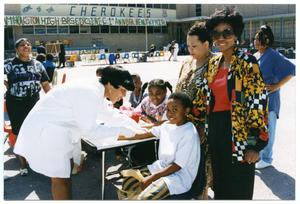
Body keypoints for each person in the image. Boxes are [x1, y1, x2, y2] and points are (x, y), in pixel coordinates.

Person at [13, 66, 142, 200]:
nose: (123, 95)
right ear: (110, 84)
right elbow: (90, 131)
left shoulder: (97, 88)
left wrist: (135, 126)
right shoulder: (90, 92)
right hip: (48, 130)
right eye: (122, 90)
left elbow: (108, 113)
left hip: (57, 129)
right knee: (60, 178)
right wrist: (122, 130)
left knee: (65, 172)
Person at [193, 7, 269, 199]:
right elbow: (202, 98)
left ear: (236, 35)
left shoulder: (247, 62)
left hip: (240, 132)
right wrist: (190, 120)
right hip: (216, 131)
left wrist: (255, 144)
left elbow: (257, 101)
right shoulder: (212, 63)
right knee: (220, 186)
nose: (221, 37)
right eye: (216, 33)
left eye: (227, 32)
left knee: (239, 187)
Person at [117, 92, 200, 200]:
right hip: (161, 167)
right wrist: (120, 136)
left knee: (145, 198)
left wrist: (152, 178)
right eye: (168, 110)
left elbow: (177, 166)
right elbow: (145, 134)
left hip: (178, 177)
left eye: (175, 110)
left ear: (186, 111)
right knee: (128, 182)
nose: (170, 114)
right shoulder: (167, 125)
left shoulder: (189, 132)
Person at [175, 21, 213, 199]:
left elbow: (219, 103)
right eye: (188, 45)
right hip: (183, 128)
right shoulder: (186, 63)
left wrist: (205, 126)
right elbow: (177, 91)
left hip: (202, 132)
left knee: (201, 177)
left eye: (194, 46)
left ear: (207, 44)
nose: (190, 49)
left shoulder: (216, 65)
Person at [4, 38, 51, 176]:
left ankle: (36, 159)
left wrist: (55, 99)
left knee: (36, 131)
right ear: (17, 49)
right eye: (22, 45)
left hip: (34, 103)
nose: (26, 46)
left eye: (28, 44)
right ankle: (23, 164)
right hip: (15, 104)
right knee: (19, 133)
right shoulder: (9, 65)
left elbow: (46, 85)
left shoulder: (38, 65)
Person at [253, 25, 295, 169]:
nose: (256, 42)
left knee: (269, 128)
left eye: (259, 39)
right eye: (255, 39)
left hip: (270, 100)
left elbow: (292, 69)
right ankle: (260, 155)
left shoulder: (273, 54)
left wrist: (277, 86)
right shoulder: (257, 55)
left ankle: (267, 158)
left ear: (267, 40)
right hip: (258, 100)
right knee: (260, 129)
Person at [130, 79, 173, 165]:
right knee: (135, 152)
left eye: (158, 93)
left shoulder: (170, 104)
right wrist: (150, 120)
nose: (154, 97)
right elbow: (136, 113)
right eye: (151, 93)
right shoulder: (146, 100)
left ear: (165, 92)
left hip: (162, 139)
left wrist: (146, 120)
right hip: (148, 134)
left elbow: (163, 123)